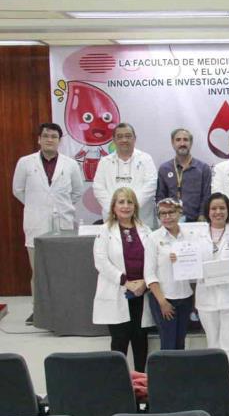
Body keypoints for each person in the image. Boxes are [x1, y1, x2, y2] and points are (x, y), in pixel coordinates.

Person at [12, 122, 83, 324]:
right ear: (39, 139)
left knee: (64, 269)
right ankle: (38, 311)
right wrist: (38, 205)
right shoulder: (25, 162)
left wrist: (58, 205)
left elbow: (77, 191)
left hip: (64, 222)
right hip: (37, 222)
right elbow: (18, 190)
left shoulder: (70, 164)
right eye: (46, 136)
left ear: (59, 141)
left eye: (53, 136)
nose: (49, 139)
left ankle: (65, 308)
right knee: (38, 271)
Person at [92, 187, 154, 372]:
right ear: (113, 206)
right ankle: (117, 385)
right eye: (121, 202)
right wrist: (126, 282)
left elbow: (153, 258)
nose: (126, 206)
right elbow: (101, 262)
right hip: (119, 291)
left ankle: (142, 385)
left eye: (129, 202)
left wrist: (144, 282)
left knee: (140, 341)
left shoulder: (146, 230)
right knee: (119, 342)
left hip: (142, 292)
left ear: (135, 206)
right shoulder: (104, 231)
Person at [195, 192, 229, 387]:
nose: (218, 212)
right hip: (206, 298)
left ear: (228, 211)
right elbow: (189, 262)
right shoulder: (197, 235)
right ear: (208, 212)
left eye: (222, 208)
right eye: (214, 208)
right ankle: (216, 386)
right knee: (213, 344)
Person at [143, 198, 194, 350]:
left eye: (171, 212)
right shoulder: (153, 238)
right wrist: (162, 302)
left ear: (179, 213)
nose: (167, 217)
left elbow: (197, 267)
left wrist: (184, 259)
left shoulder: (190, 235)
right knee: (168, 344)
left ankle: (179, 375)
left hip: (185, 297)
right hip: (164, 299)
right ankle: (166, 374)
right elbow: (149, 273)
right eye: (162, 214)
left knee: (180, 343)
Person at [93, 123, 157, 227]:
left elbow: (151, 185)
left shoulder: (146, 159)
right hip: (112, 217)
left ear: (134, 138)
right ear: (114, 140)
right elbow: (98, 187)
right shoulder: (105, 162)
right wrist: (114, 208)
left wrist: (132, 206)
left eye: (128, 136)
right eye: (120, 137)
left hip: (141, 218)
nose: (124, 140)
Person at [156, 128, 212, 222]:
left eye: (185, 140)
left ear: (191, 143)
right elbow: (160, 196)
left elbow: (206, 195)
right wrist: (164, 217)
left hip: (197, 221)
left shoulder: (203, 168)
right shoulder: (164, 169)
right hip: (170, 220)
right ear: (172, 143)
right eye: (178, 140)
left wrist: (202, 215)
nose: (182, 143)